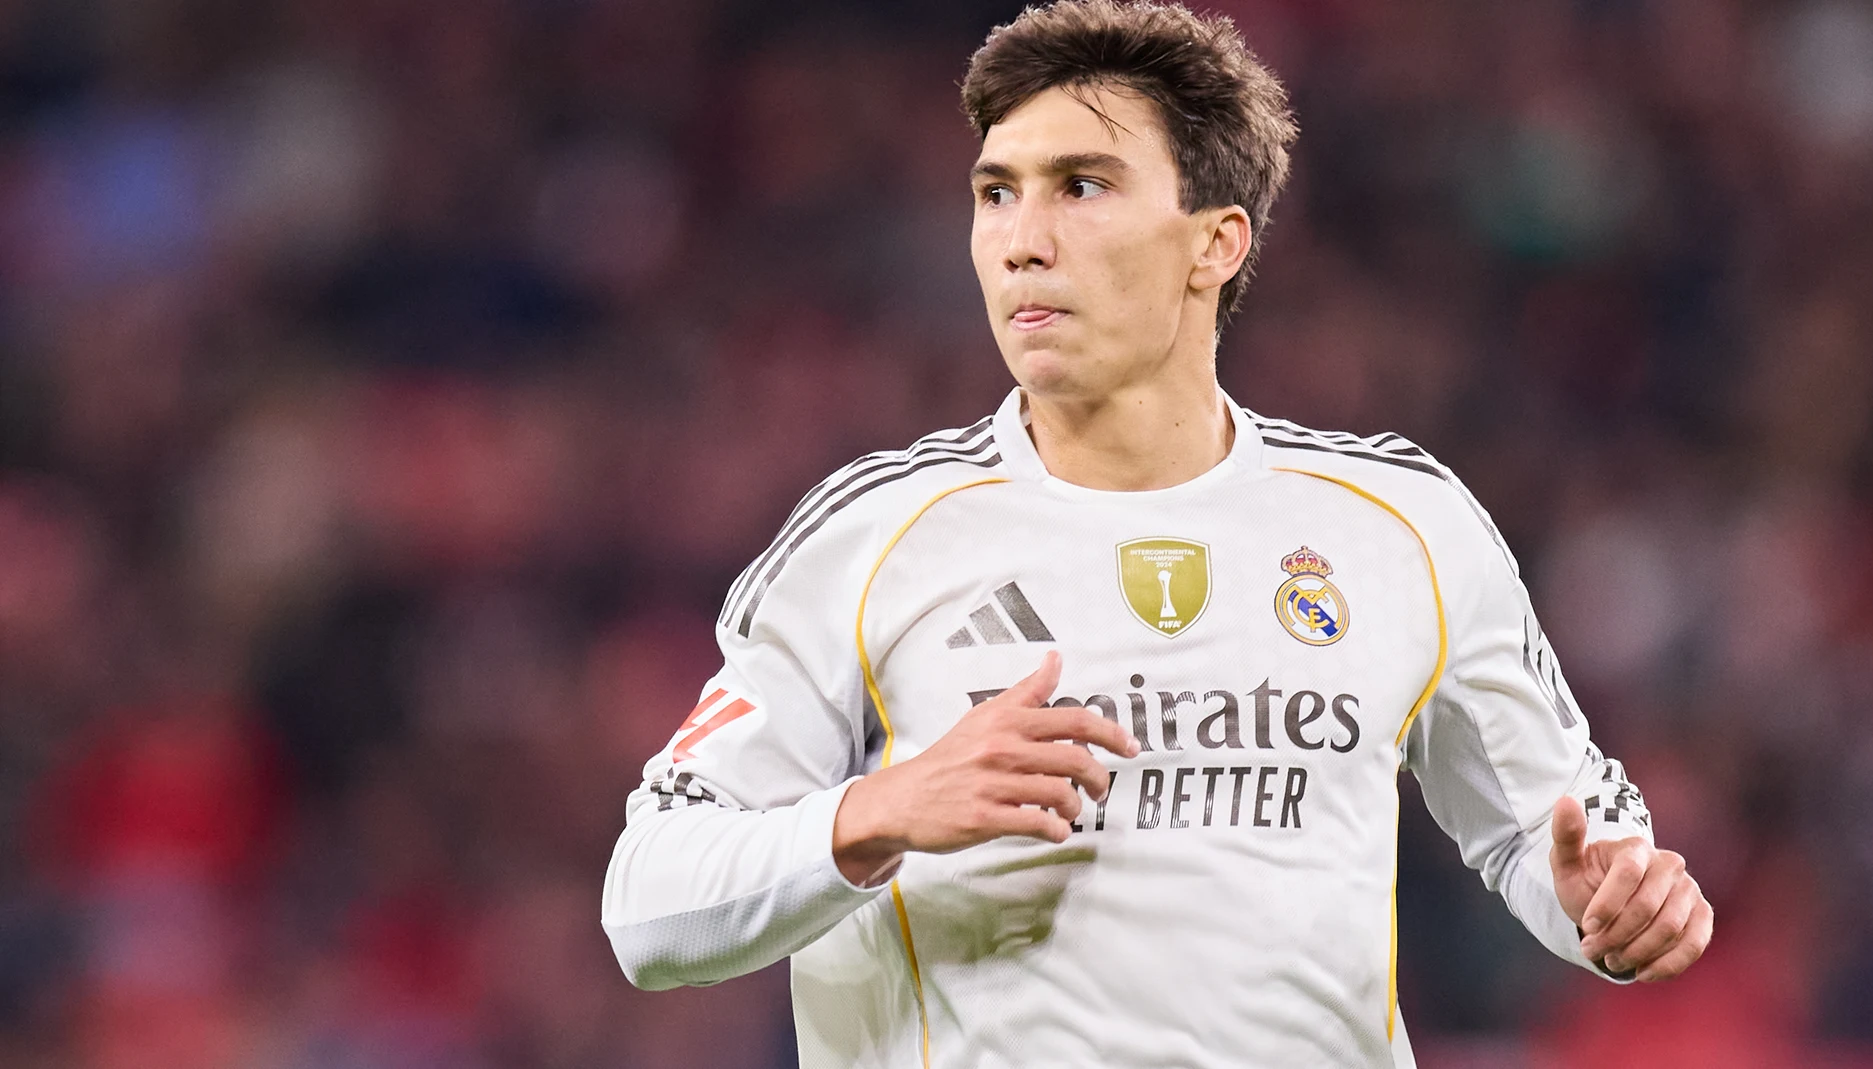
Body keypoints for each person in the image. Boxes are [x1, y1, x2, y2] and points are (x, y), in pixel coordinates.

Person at [601, 2, 1713, 1065]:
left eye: (1080, 186)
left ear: (1215, 243)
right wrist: (877, 811)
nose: (1021, 241)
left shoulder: (1400, 526)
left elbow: (1550, 834)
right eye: (996, 193)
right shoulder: (874, 538)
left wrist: (1613, 909)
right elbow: (649, 903)